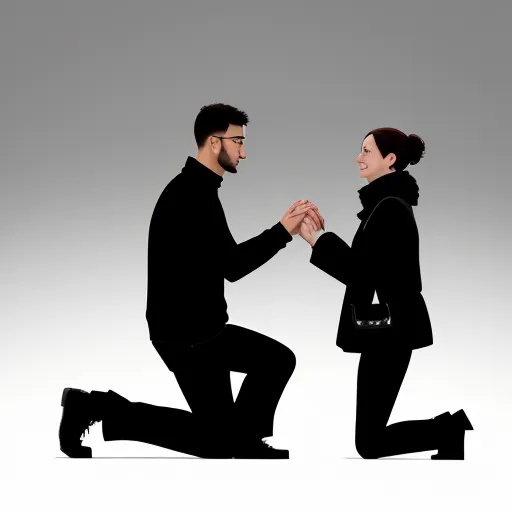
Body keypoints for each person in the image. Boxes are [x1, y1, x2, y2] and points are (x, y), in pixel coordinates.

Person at [59, 103, 323, 459]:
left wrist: (281, 232)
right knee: (216, 442)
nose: (244, 152)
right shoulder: (191, 195)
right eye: (238, 141)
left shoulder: (200, 190)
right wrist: (282, 231)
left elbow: (221, 263)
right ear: (215, 143)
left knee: (276, 362)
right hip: (186, 337)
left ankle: (241, 440)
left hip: (205, 331)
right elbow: (233, 265)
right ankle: (94, 407)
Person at [299, 128, 473, 459]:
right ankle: (449, 432)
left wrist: (319, 240)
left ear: (390, 160)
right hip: (390, 329)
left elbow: (362, 274)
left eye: (367, 151)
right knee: (369, 440)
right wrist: (322, 241)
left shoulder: (389, 208)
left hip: (391, 331)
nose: (358, 158)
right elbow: (369, 270)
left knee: (369, 443)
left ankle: (451, 430)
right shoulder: (387, 205)